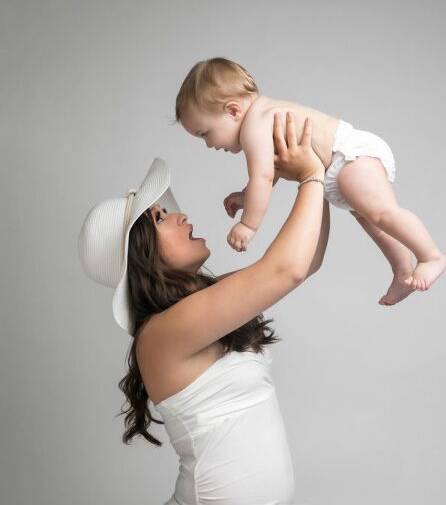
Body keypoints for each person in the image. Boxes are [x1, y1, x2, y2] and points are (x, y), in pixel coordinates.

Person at [78, 115, 328, 505]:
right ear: (142, 254)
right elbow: (288, 269)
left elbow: (307, 260)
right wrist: (311, 173)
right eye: (161, 218)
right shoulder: (162, 332)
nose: (181, 216)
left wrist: (318, 180)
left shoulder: (203, 305)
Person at [175, 57, 446, 306]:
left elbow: (264, 175)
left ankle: (431, 256)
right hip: (335, 171)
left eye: (205, 133)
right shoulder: (260, 120)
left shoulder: (254, 124)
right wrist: (247, 196)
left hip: (348, 156)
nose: (208, 145)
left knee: (382, 214)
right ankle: (402, 272)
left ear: (233, 110)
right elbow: (274, 170)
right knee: (374, 222)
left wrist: (248, 224)